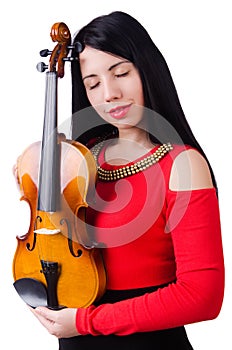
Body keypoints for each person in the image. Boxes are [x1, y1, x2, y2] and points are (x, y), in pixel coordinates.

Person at [19, 11, 224, 350]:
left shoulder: (183, 164)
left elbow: (202, 297)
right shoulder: (78, 158)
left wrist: (86, 322)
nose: (110, 93)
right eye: (93, 83)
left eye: (121, 73)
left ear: (147, 69)